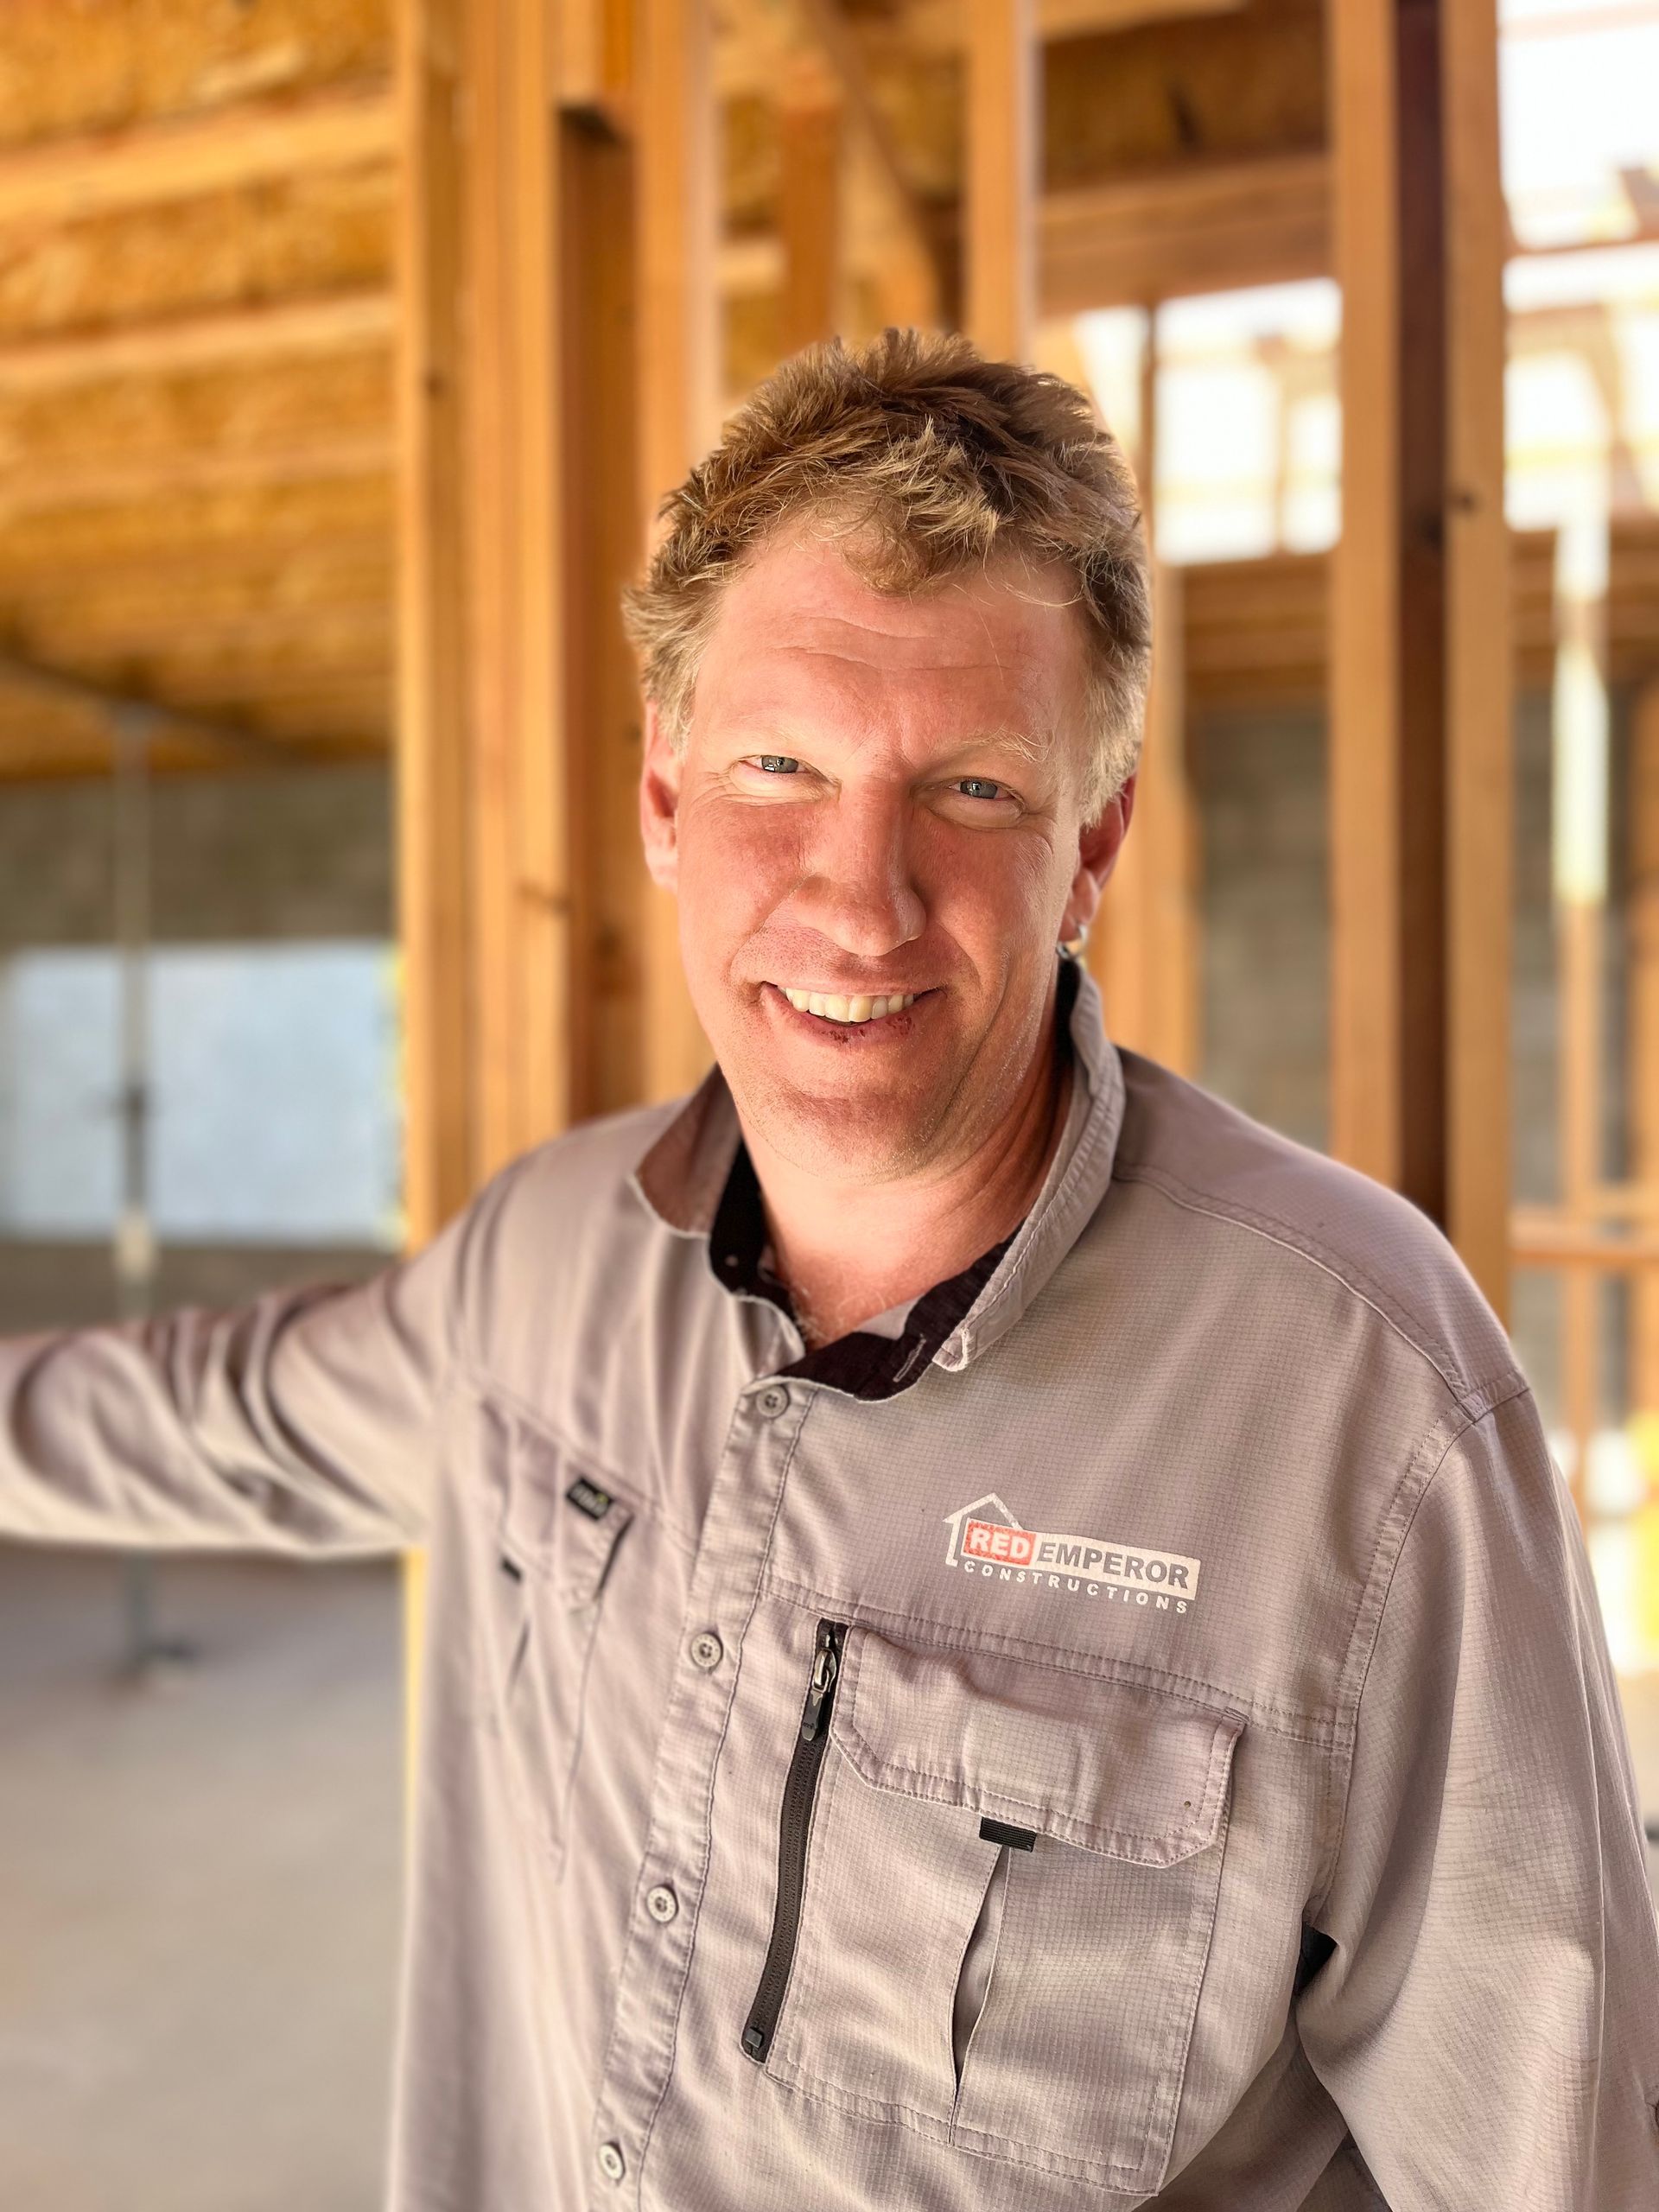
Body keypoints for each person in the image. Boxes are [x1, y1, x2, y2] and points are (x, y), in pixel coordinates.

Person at [2, 328, 1656, 2211]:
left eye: (972, 790)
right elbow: (204, 1417)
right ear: (665, 798)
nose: (860, 900)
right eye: (779, 765)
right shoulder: (547, 1261)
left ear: (1092, 841)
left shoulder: (1361, 1408)